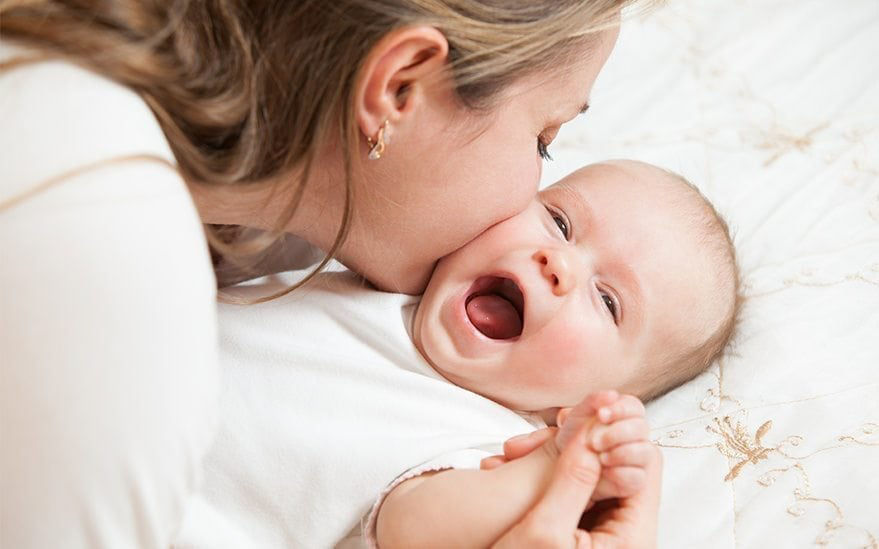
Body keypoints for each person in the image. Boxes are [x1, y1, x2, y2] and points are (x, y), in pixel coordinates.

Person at [0, 1, 660, 547]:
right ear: (399, 86)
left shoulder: (256, 229)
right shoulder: (110, 261)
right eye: (542, 138)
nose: (531, 192)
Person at [177, 160, 739, 547]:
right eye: (560, 221)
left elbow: (414, 529)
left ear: (595, 399)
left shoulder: (486, 445)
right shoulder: (387, 271)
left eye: (609, 301)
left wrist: (554, 468)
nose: (559, 263)